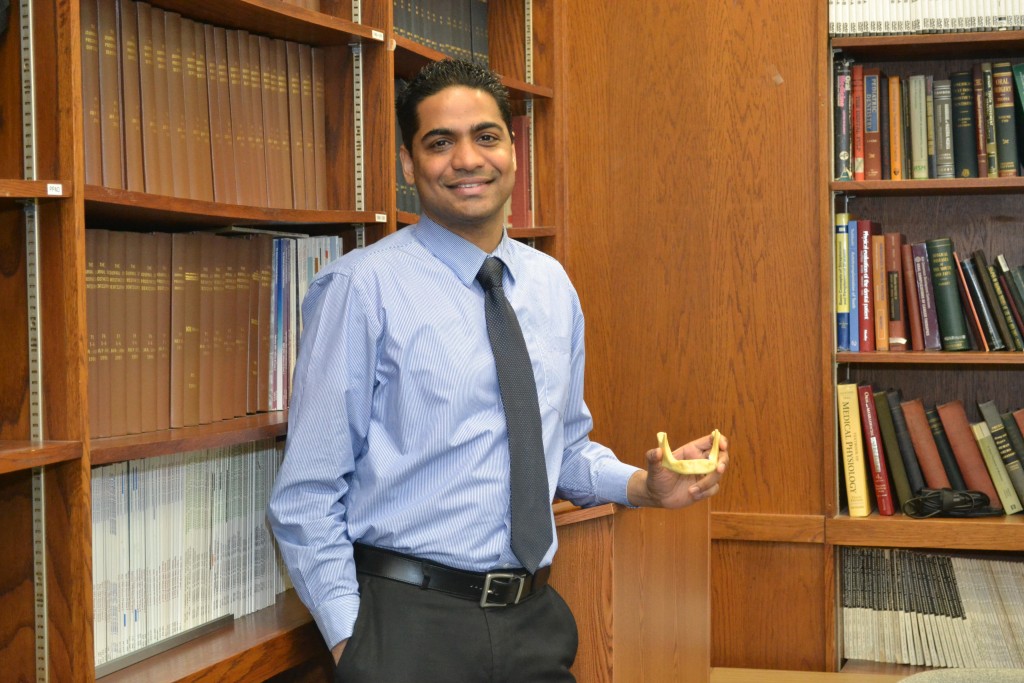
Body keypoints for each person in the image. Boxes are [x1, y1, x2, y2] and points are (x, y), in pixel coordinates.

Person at [267, 58, 728, 682]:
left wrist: (645, 487)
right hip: (407, 625)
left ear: (513, 151)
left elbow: (561, 448)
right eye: (440, 142)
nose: (466, 159)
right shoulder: (360, 288)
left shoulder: (550, 286)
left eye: (486, 136)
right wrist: (357, 644)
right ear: (409, 165)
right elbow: (306, 495)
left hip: (534, 620)